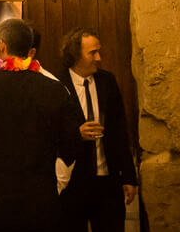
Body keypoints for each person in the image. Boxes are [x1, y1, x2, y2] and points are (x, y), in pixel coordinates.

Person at [0, 17, 85, 232]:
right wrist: (57, 179)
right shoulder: (54, 90)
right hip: (41, 201)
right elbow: (72, 143)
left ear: (1, 45)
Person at [56, 29, 137, 232]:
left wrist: (128, 176)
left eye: (98, 51)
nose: (99, 58)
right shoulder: (56, 86)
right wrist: (77, 134)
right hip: (73, 183)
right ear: (75, 55)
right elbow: (47, 134)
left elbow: (120, 129)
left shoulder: (107, 81)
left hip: (108, 181)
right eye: (92, 53)